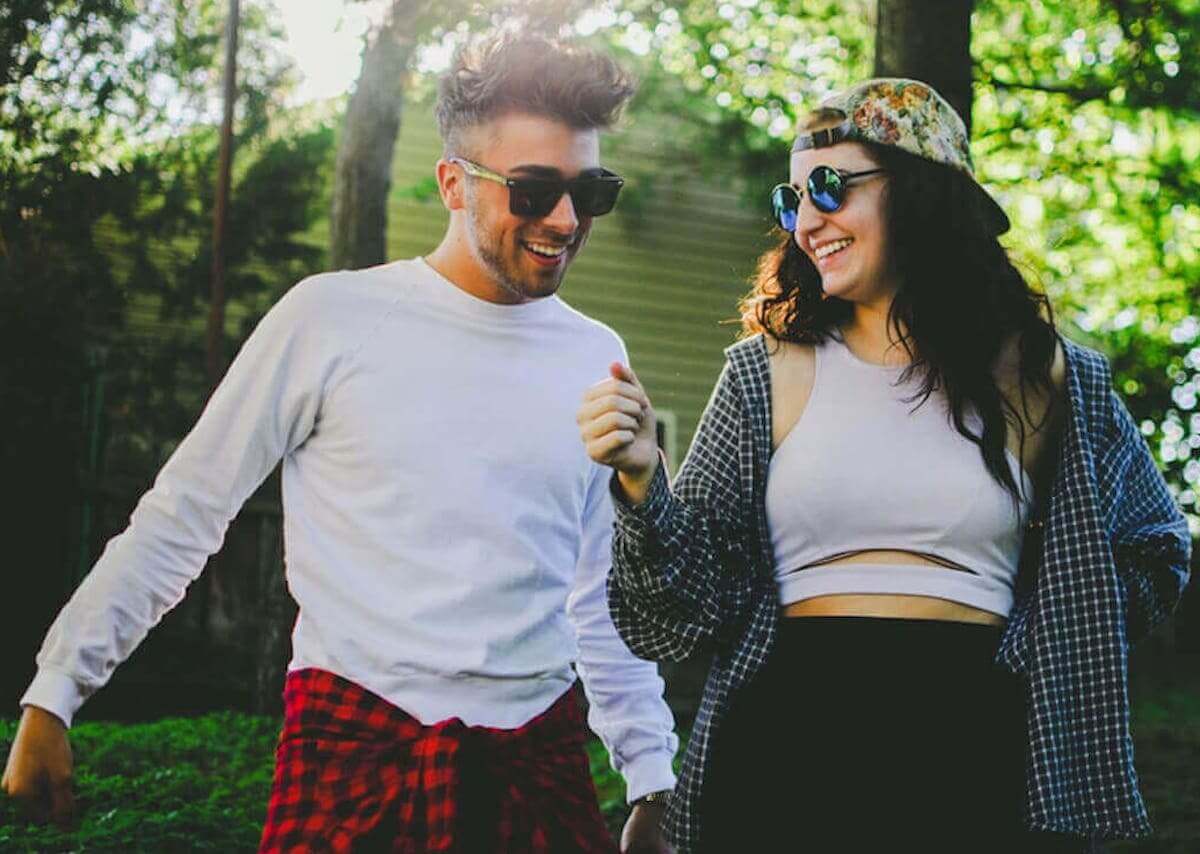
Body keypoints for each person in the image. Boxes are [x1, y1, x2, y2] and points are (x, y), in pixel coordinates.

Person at [3, 31, 678, 853]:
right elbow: (184, 515)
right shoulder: (329, 319)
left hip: (536, 769)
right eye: (534, 190)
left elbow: (597, 595)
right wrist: (57, 688)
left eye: (590, 191)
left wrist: (650, 774)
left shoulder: (594, 355)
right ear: (453, 183)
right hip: (352, 759)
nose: (566, 220)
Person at [578, 78, 1191, 852]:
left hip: (979, 752)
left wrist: (1040, 646)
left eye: (830, 187)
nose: (808, 221)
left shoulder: (1049, 377)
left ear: (923, 192)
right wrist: (641, 482)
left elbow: (1154, 544)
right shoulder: (763, 373)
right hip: (785, 748)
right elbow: (680, 613)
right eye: (791, 200)